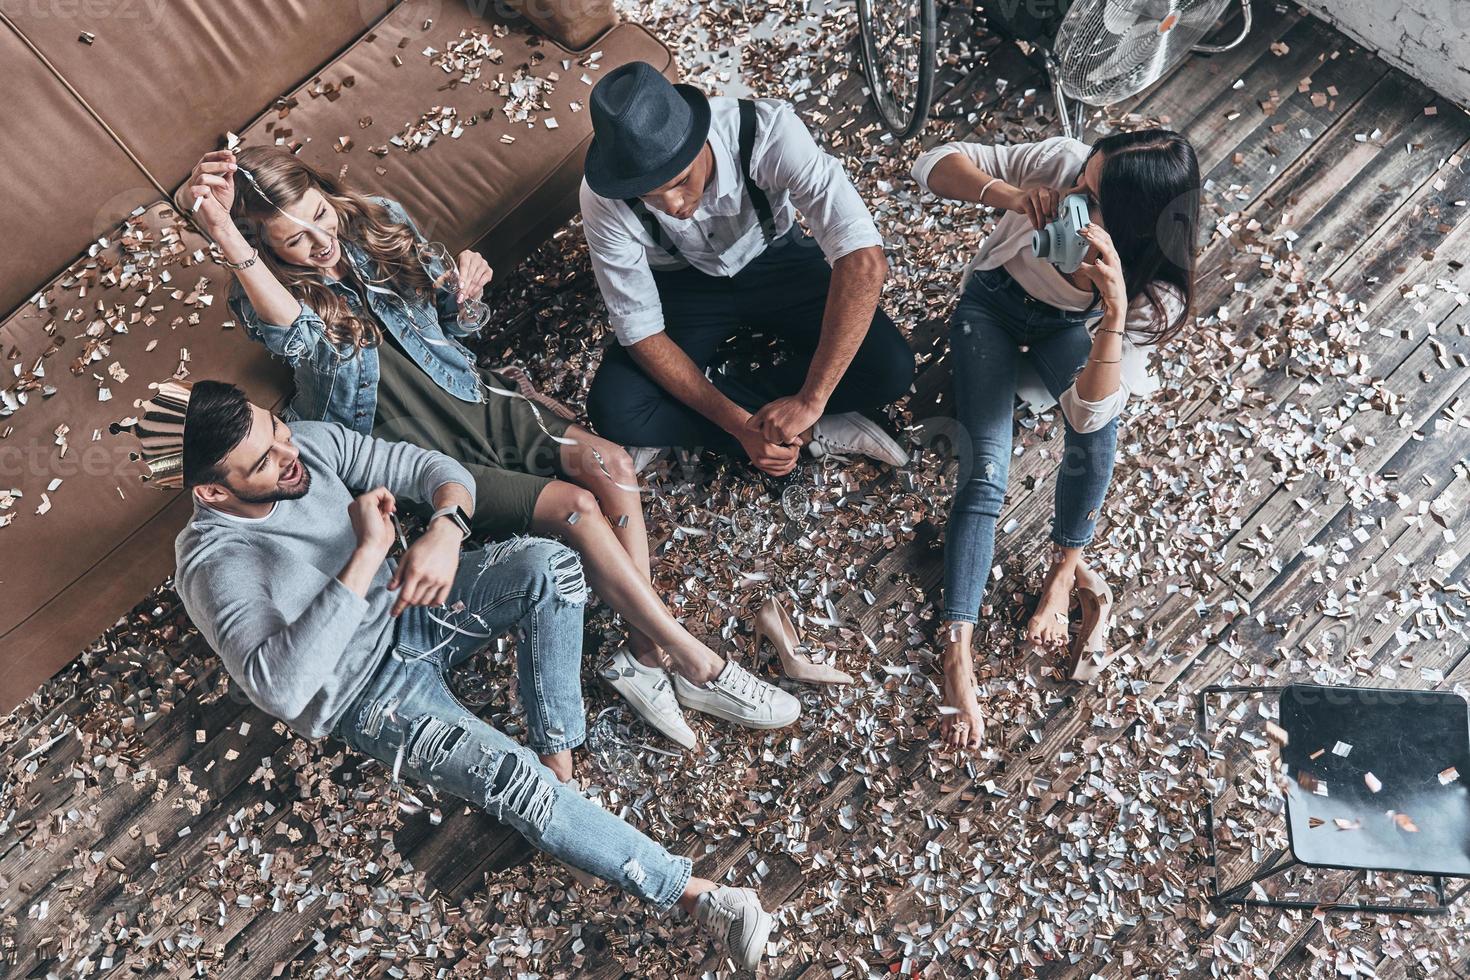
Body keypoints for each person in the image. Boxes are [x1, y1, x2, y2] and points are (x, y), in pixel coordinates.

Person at [174, 146, 799, 750]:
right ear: (265, 252)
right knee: (576, 506)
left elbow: (453, 330)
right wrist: (227, 235)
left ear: (324, 191)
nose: (319, 241)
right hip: (408, 438)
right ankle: (697, 663)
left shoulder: (380, 219)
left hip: (470, 395)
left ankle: (640, 653)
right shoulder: (259, 295)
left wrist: (465, 294)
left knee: (615, 465)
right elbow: (307, 341)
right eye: (294, 242)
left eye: (318, 215)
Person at [171, 380, 777, 968]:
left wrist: (444, 529)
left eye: (277, 430)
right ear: (214, 495)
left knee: (553, 566)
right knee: (506, 778)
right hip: (366, 694)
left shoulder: (304, 444)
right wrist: (363, 555)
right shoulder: (214, 563)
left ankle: (557, 767)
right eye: (263, 463)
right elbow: (280, 688)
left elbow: (431, 468)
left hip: (416, 605)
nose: (288, 453)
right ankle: (704, 900)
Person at [910, 130, 1200, 751]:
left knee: (1098, 443)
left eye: (1089, 199)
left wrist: (1114, 315)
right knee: (985, 471)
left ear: (1129, 228)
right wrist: (1011, 195)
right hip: (990, 305)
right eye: (1081, 180)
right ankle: (956, 653)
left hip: (1073, 331)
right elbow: (931, 161)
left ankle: (1063, 574)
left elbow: (1091, 415)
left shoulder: (1154, 295)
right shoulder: (1060, 165)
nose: (1071, 196)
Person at [579, 61, 915, 476]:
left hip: (778, 259)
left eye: (680, 181)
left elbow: (863, 261)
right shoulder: (602, 199)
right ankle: (806, 432)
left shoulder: (768, 132)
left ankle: (799, 419)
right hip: (685, 287)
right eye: (650, 196)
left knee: (891, 368)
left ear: (700, 140)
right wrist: (739, 427)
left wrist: (811, 400)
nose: (674, 207)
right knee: (615, 411)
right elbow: (640, 331)